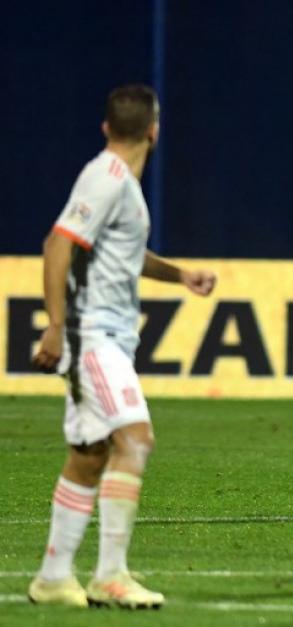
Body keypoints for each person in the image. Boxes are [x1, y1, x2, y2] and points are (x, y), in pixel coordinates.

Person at [28, 85, 217, 609]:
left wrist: (180, 276)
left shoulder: (121, 186)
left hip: (101, 336)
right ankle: (111, 574)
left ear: (107, 126)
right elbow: (57, 242)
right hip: (92, 335)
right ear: (155, 130)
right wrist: (55, 324)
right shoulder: (107, 177)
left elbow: (123, 253)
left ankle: (52, 578)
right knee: (135, 439)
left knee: (89, 456)